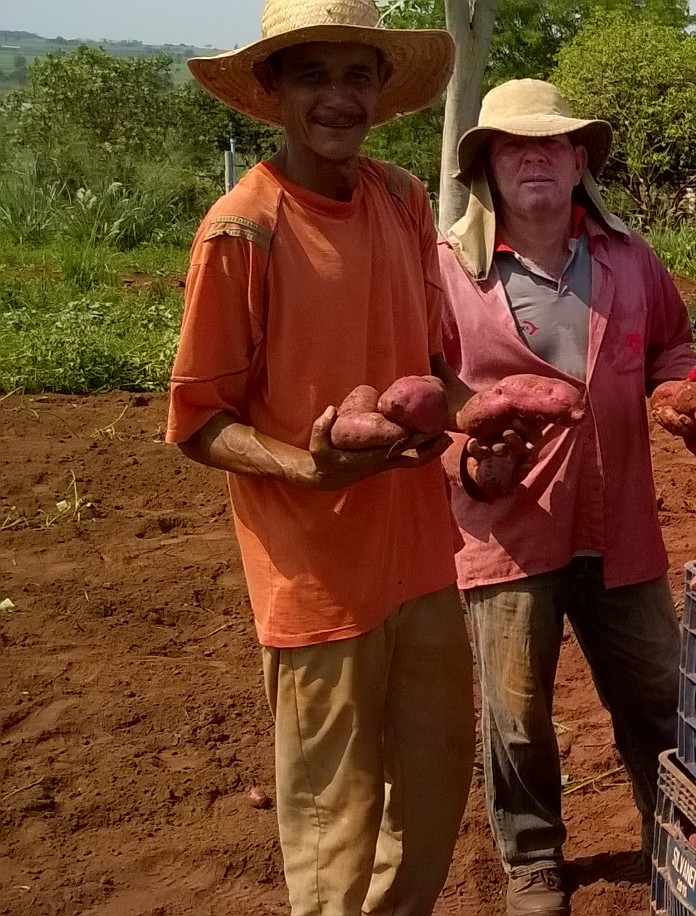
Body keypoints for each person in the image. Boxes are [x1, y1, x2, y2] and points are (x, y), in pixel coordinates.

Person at [167, 2, 474, 914]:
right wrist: (309, 467)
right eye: (312, 75)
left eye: (358, 75)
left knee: (429, 799)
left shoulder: (404, 198)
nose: (339, 97)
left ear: (382, 90)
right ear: (272, 90)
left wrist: (482, 413)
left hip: (419, 556)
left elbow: (430, 366)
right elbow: (196, 421)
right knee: (334, 829)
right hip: (316, 579)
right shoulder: (243, 229)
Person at [437, 79, 696, 916]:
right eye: (513, 145)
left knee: (660, 693)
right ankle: (531, 855)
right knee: (516, 713)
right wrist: (462, 458)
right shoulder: (450, 270)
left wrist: (686, 393)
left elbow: (675, 346)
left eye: (552, 144)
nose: (534, 157)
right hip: (508, 530)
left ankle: (672, 830)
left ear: (578, 160)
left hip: (620, 523)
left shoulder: (630, 259)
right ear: (486, 164)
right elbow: (424, 386)